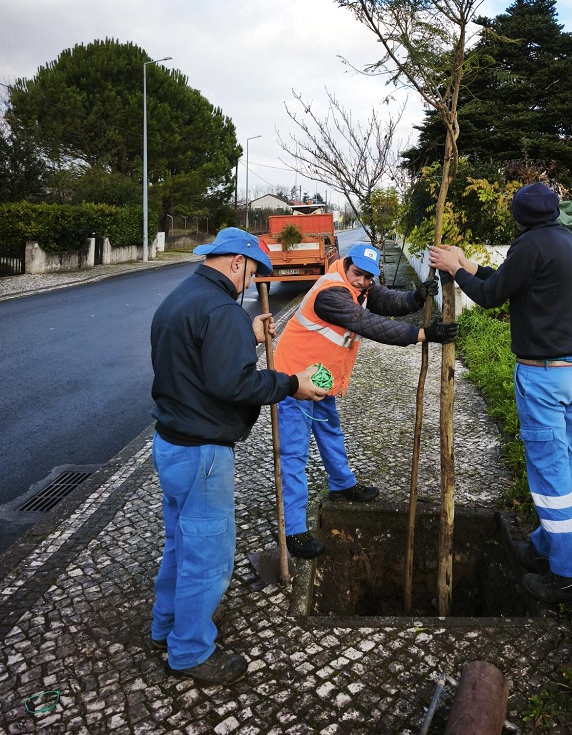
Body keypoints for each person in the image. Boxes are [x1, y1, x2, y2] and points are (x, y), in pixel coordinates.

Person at [149, 227, 327, 685]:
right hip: (203, 453)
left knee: (179, 544)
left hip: (169, 444)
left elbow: (201, 359)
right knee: (207, 556)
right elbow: (234, 384)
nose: (251, 281)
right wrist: (291, 384)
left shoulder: (180, 299)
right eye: (252, 272)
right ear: (235, 262)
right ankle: (189, 652)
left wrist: (245, 334)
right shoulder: (221, 309)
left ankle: (165, 626)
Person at [429, 183, 572, 605]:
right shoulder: (568, 243)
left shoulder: (530, 246)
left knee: (549, 475)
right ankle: (543, 546)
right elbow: (507, 283)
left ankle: (569, 577)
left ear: (518, 218)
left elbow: (489, 296)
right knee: (561, 465)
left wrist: (454, 270)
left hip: (542, 375)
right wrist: (466, 264)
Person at [272, 241, 458, 559]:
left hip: (320, 376)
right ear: (346, 265)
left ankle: (342, 483)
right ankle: (293, 530)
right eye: (358, 274)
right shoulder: (331, 293)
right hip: (294, 378)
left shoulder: (362, 284)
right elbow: (370, 324)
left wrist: (417, 296)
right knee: (293, 455)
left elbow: (384, 300)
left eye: (369, 277)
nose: (363, 282)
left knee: (330, 431)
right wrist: (423, 335)